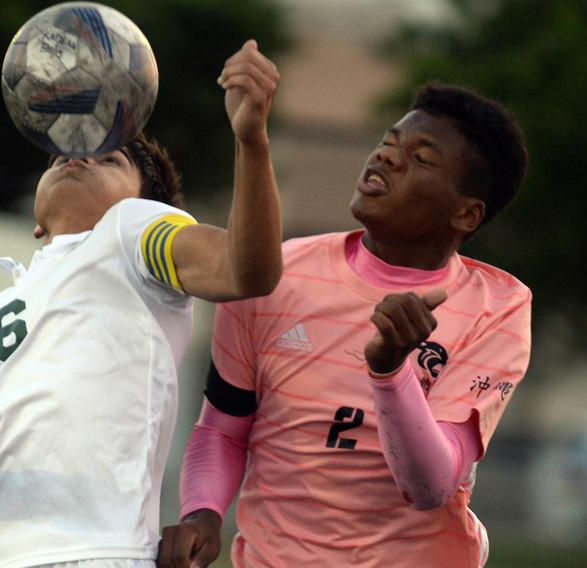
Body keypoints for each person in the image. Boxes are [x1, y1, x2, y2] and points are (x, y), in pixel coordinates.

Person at [0, 40, 282, 568]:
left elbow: (247, 270)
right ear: (37, 218)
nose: (77, 153)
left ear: (143, 203)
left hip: (91, 554)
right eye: (63, 151)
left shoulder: (133, 235)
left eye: (106, 155)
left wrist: (251, 140)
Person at [159, 83, 530, 568]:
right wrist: (202, 514)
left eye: (420, 158)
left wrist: (390, 372)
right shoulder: (272, 275)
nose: (387, 159)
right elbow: (223, 431)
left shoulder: (495, 308)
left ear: (466, 213)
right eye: (388, 143)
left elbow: (430, 487)